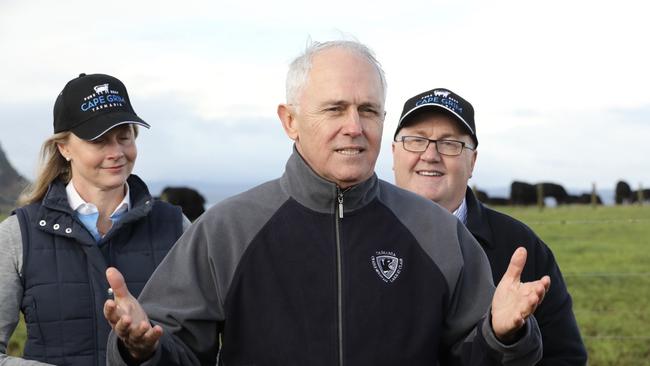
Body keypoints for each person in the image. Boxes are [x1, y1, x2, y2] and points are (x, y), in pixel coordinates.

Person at [103, 40, 550, 366]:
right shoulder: (227, 231)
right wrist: (141, 351)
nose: (354, 126)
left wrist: (502, 336)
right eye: (335, 109)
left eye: (368, 110)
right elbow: (173, 350)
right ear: (290, 121)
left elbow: (476, 357)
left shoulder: (438, 233)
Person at [0, 73, 189, 366]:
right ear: (64, 148)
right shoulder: (17, 235)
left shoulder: (177, 228)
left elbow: (200, 348)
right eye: (98, 141)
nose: (116, 153)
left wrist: (148, 352)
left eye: (124, 137)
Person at [392, 87, 588, 365]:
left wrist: (510, 338)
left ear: (472, 161)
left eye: (449, 143)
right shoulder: (356, 234)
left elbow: (565, 358)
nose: (430, 154)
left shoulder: (521, 248)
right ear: (394, 152)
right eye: (415, 140)